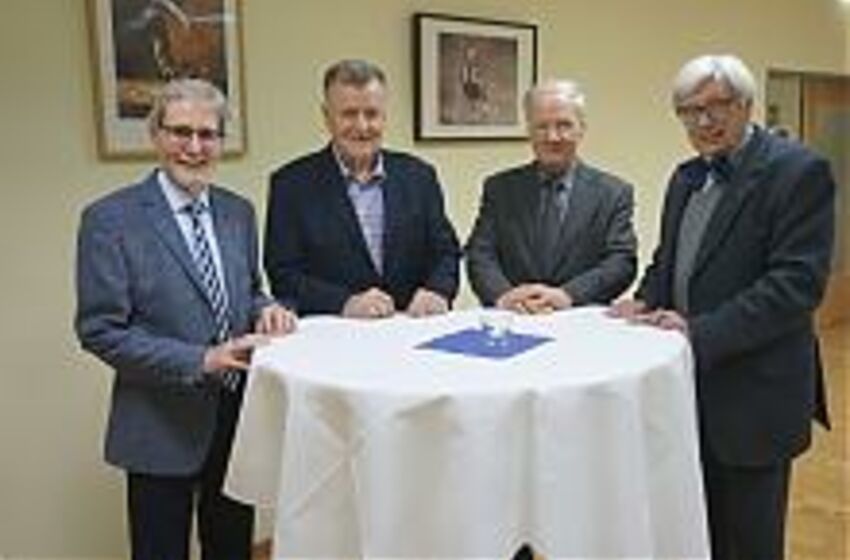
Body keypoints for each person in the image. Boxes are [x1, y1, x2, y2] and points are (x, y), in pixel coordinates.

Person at [609, 54, 835, 559]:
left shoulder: (798, 171)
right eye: (689, 111)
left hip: (755, 393)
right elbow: (670, 258)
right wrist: (646, 297)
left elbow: (796, 285)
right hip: (687, 390)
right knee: (700, 533)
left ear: (747, 105)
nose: (703, 121)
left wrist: (698, 331)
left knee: (751, 543)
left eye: (717, 106)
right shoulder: (685, 176)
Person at [75, 78, 296, 560]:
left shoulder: (238, 213)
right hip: (159, 428)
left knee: (232, 549)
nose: (194, 147)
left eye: (207, 134)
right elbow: (100, 331)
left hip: (236, 422)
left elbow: (249, 290)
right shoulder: (110, 220)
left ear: (221, 141)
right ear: (156, 136)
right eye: (180, 132)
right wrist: (201, 359)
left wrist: (267, 308)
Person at [264, 59, 461, 318]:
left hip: (411, 327)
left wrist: (437, 290)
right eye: (349, 114)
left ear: (384, 116)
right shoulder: (291, 185)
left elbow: (445, 252)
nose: (362, 126)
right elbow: (283, 275)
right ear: (327, 117)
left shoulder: (419, 176)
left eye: (371, 114)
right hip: (335, 332)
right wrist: (344, 302)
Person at [466, 79, 637, 313]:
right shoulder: (499, 189)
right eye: (542, 126)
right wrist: (504, 296)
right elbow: (480, 253)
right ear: (528, 131)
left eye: (564, 125)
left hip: (580, 319)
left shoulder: (613, 194)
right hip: (515, 316)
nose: (553, 137)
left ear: (581, 129)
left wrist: (568, 295)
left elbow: (621, 262)